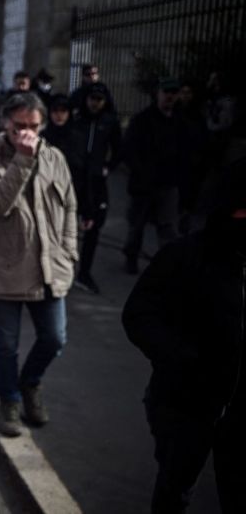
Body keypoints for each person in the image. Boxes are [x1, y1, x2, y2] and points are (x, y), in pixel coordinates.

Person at [122, 157, 246, 513]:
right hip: (184, 403)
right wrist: (183, 359)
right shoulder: (184, 256)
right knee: (175, 487)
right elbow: (139, 315)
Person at [0, 92, 77, 438]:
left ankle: (29, 382)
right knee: (7, 344)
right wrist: (22, 159)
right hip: (7, 269)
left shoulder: (56, 158)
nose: (27, 134)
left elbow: (70, 208)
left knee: (54, 338)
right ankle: (9, 399)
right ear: (6, 124)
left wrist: (70, 252)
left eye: (34, 127)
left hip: (50, 266)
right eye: (19, 127)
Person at [120, 78, 192, 275]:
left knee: (168, 226)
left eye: (174, 93)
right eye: (166, 92)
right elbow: (129, 149)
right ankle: (131, 257)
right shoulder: (143, 120)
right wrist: (141, 172)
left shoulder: (180, 122)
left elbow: (186, 152)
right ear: (158, 93)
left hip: (168, 184)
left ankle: (166, 264)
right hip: (144, 184)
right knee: (137, 225)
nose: (170, 96)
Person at [69, 83, 122, 293]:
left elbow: (119, 149)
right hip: (75, 180)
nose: (95, 103)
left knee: (94, 225)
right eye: (92, 98)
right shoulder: (77, 119)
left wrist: (108, 166)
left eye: (99, 99)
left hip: (96, 182)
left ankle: (84, 272)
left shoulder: (109, 122)